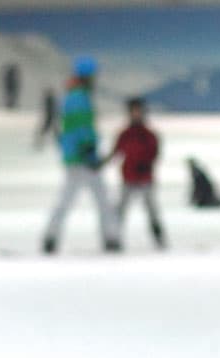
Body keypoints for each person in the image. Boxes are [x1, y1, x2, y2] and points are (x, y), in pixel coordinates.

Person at [42, 56, 120, 254]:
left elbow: (68, 130)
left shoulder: (73, 96)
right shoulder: (79, 98)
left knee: (67, 200)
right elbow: (81, 129)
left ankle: (51, 237)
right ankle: (111, 239)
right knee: (101, 200)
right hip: (83, 159)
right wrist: (89, 153)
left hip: (75, 158)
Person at [106, 98, 165, 249]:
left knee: (152, 210)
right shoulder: (125, 134)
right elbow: (115, 153)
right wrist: (99, 164)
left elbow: (155, 153)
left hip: (145, 178)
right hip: (129, 178)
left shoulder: (149, 135)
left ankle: (159, 239)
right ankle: (115, 238)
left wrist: (146, 166)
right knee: (121, 210)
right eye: (134, 111)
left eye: (138, 110)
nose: (136, 114)